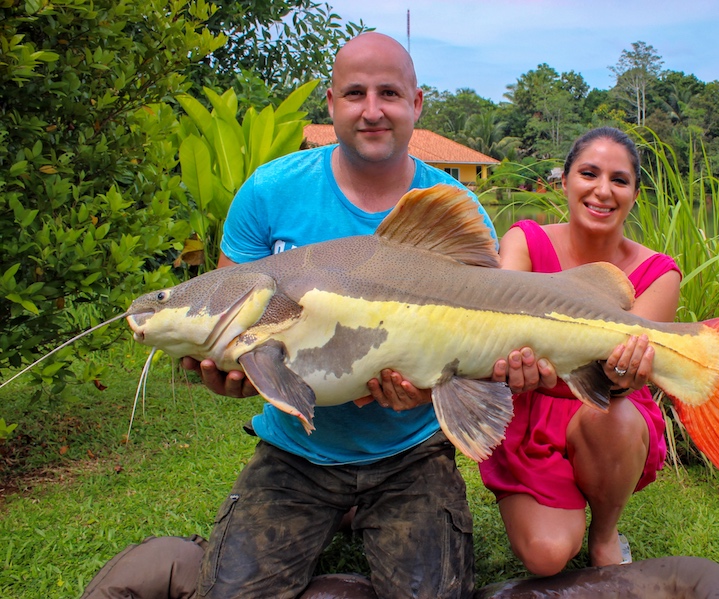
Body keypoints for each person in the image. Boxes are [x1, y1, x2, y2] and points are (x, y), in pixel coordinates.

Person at [181, 32, 550, 599]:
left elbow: (478, 330)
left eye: (389, 94)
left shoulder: (449, 206)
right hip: (296, 450)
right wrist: (230, 377)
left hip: (412, 451)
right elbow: (229, 312)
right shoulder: (270, 193)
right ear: (331, 103)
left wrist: (436, 388)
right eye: (355, 93)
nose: (372, 110)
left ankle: (370, 511)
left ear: (416, 104)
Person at [479, 127, 683, 576]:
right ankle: (547, 502)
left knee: (615, 416)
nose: (602, 191)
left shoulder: (659, 273)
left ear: (635, 194)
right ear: (566, 181)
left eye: (619, 180)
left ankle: (605, 532)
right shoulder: (524, 241)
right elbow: (499, 320)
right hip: (532, 406)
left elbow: (624, 372)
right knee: (547, 556)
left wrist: (625, 377)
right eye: (589, 174)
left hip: (607, 408)